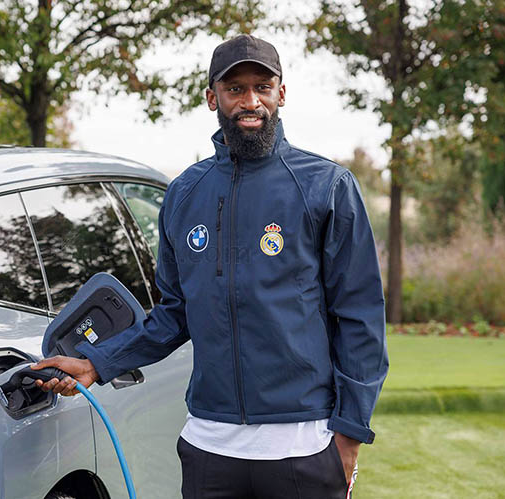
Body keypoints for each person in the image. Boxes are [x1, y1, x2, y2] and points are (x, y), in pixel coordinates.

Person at [34, 34, 388, 499]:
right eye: (235, 88)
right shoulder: (184, 193)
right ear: (211, 97)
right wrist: (96, 364)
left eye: (262, 87)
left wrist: (349, 431)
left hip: (303, 442)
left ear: (281, 94)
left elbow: (360, 316)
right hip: (210, 444)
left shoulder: (327, 185)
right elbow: (174, 313)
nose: (250, 101)